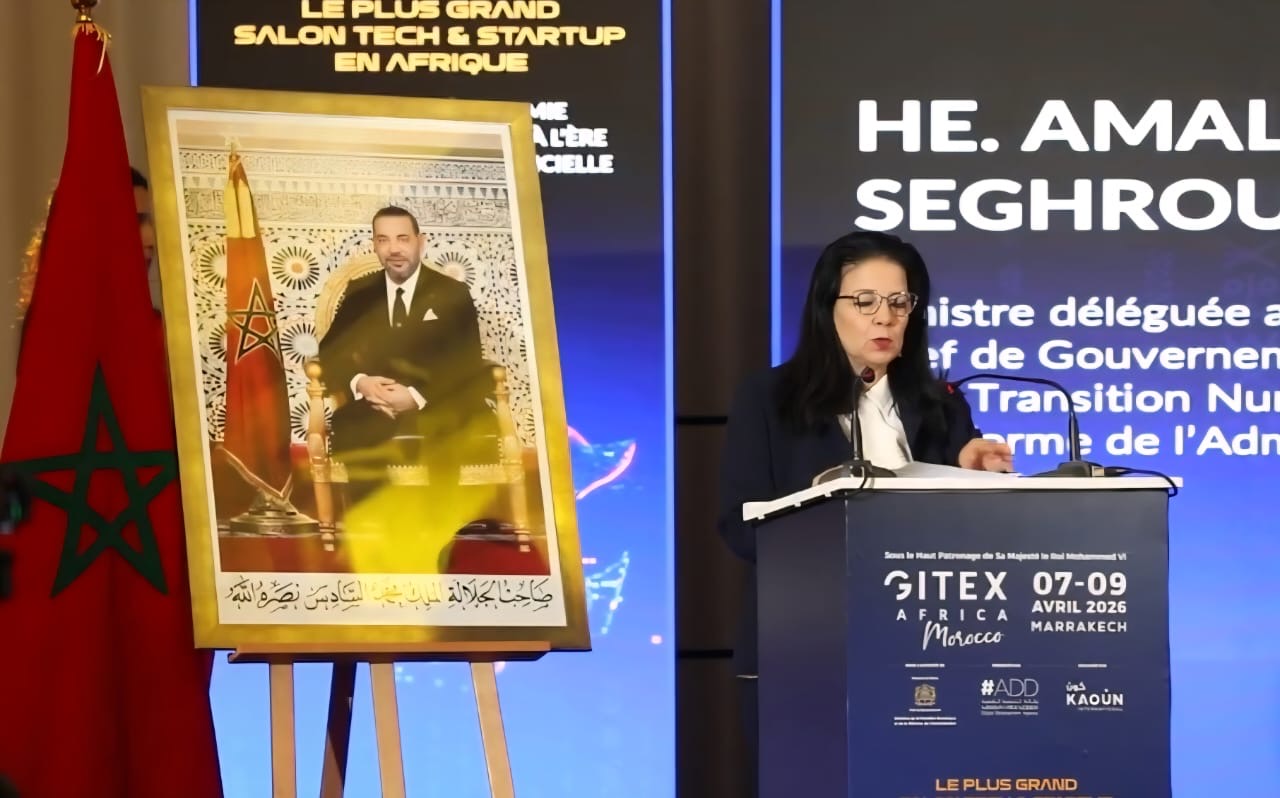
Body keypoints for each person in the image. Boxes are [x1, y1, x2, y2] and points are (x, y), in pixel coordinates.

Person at [716, 230, 1013, 793]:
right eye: (866, 301)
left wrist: (973, 470)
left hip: (928, 651)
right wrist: (822, 521)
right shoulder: (769, 399)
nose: (885, 317)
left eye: (900, 302)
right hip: (803, 647)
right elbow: (738, 522)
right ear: (827, 309)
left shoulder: (942, 406)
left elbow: (971, 537)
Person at [318, 206, 498, 507]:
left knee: (446, 426)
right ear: (375, 245)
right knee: (349, 425)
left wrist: (415, 397)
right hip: (376, 406)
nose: (394, 249)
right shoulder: (360, 292)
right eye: (383, 240)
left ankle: (440, 525)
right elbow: (328, 355)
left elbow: (467, 363)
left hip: (440, 401)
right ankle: (374, 523)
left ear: (420, 241)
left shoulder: (452, 292)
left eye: (402, 238)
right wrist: (361, 383)